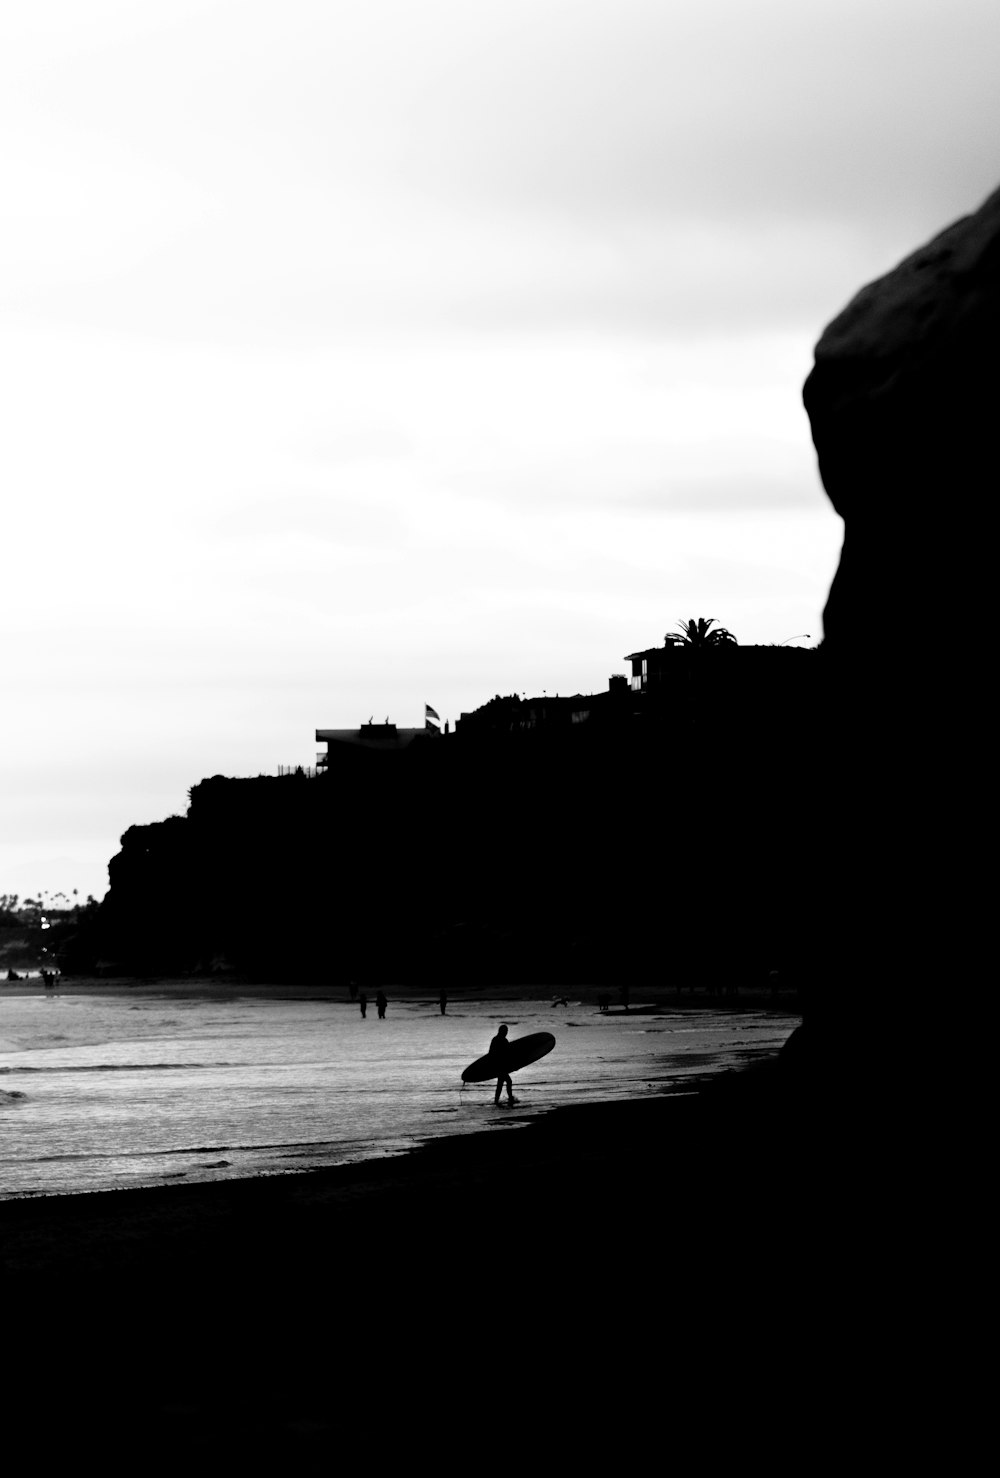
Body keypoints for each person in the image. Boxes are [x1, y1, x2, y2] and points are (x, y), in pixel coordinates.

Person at [489, 1024, 515, 1106]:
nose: (506, 1033)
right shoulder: (502, 1040)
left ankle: (497, 1100)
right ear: (502, 1031)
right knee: (508, 1081)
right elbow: (508, 1054)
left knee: (500, 1083)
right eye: (506, 1031)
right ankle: (510, 1098)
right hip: (500, 1066)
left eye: (507, 1031)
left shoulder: (496, 1039)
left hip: (498, 1066)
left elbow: (491, 1053)